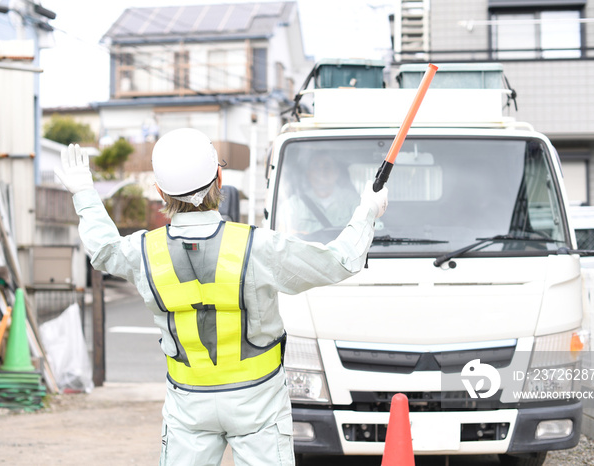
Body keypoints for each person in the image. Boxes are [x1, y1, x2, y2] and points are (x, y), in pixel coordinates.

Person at [54, 128, 388, 466]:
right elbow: (339, 261)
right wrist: (368, 210)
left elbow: (103, 251)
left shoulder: (145, 250)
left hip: (188, 402)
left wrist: (84, 191)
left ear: (159, 192)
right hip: (257, 399)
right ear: (219, 177)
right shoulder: (256, 245)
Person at [277, 153, 360, 238]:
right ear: (308, 174)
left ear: (336, 172)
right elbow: (284, 237)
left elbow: (368, 231)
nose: (321, 171)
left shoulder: (355, 202)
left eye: (327, 167)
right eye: (316, 167)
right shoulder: (293, 205)